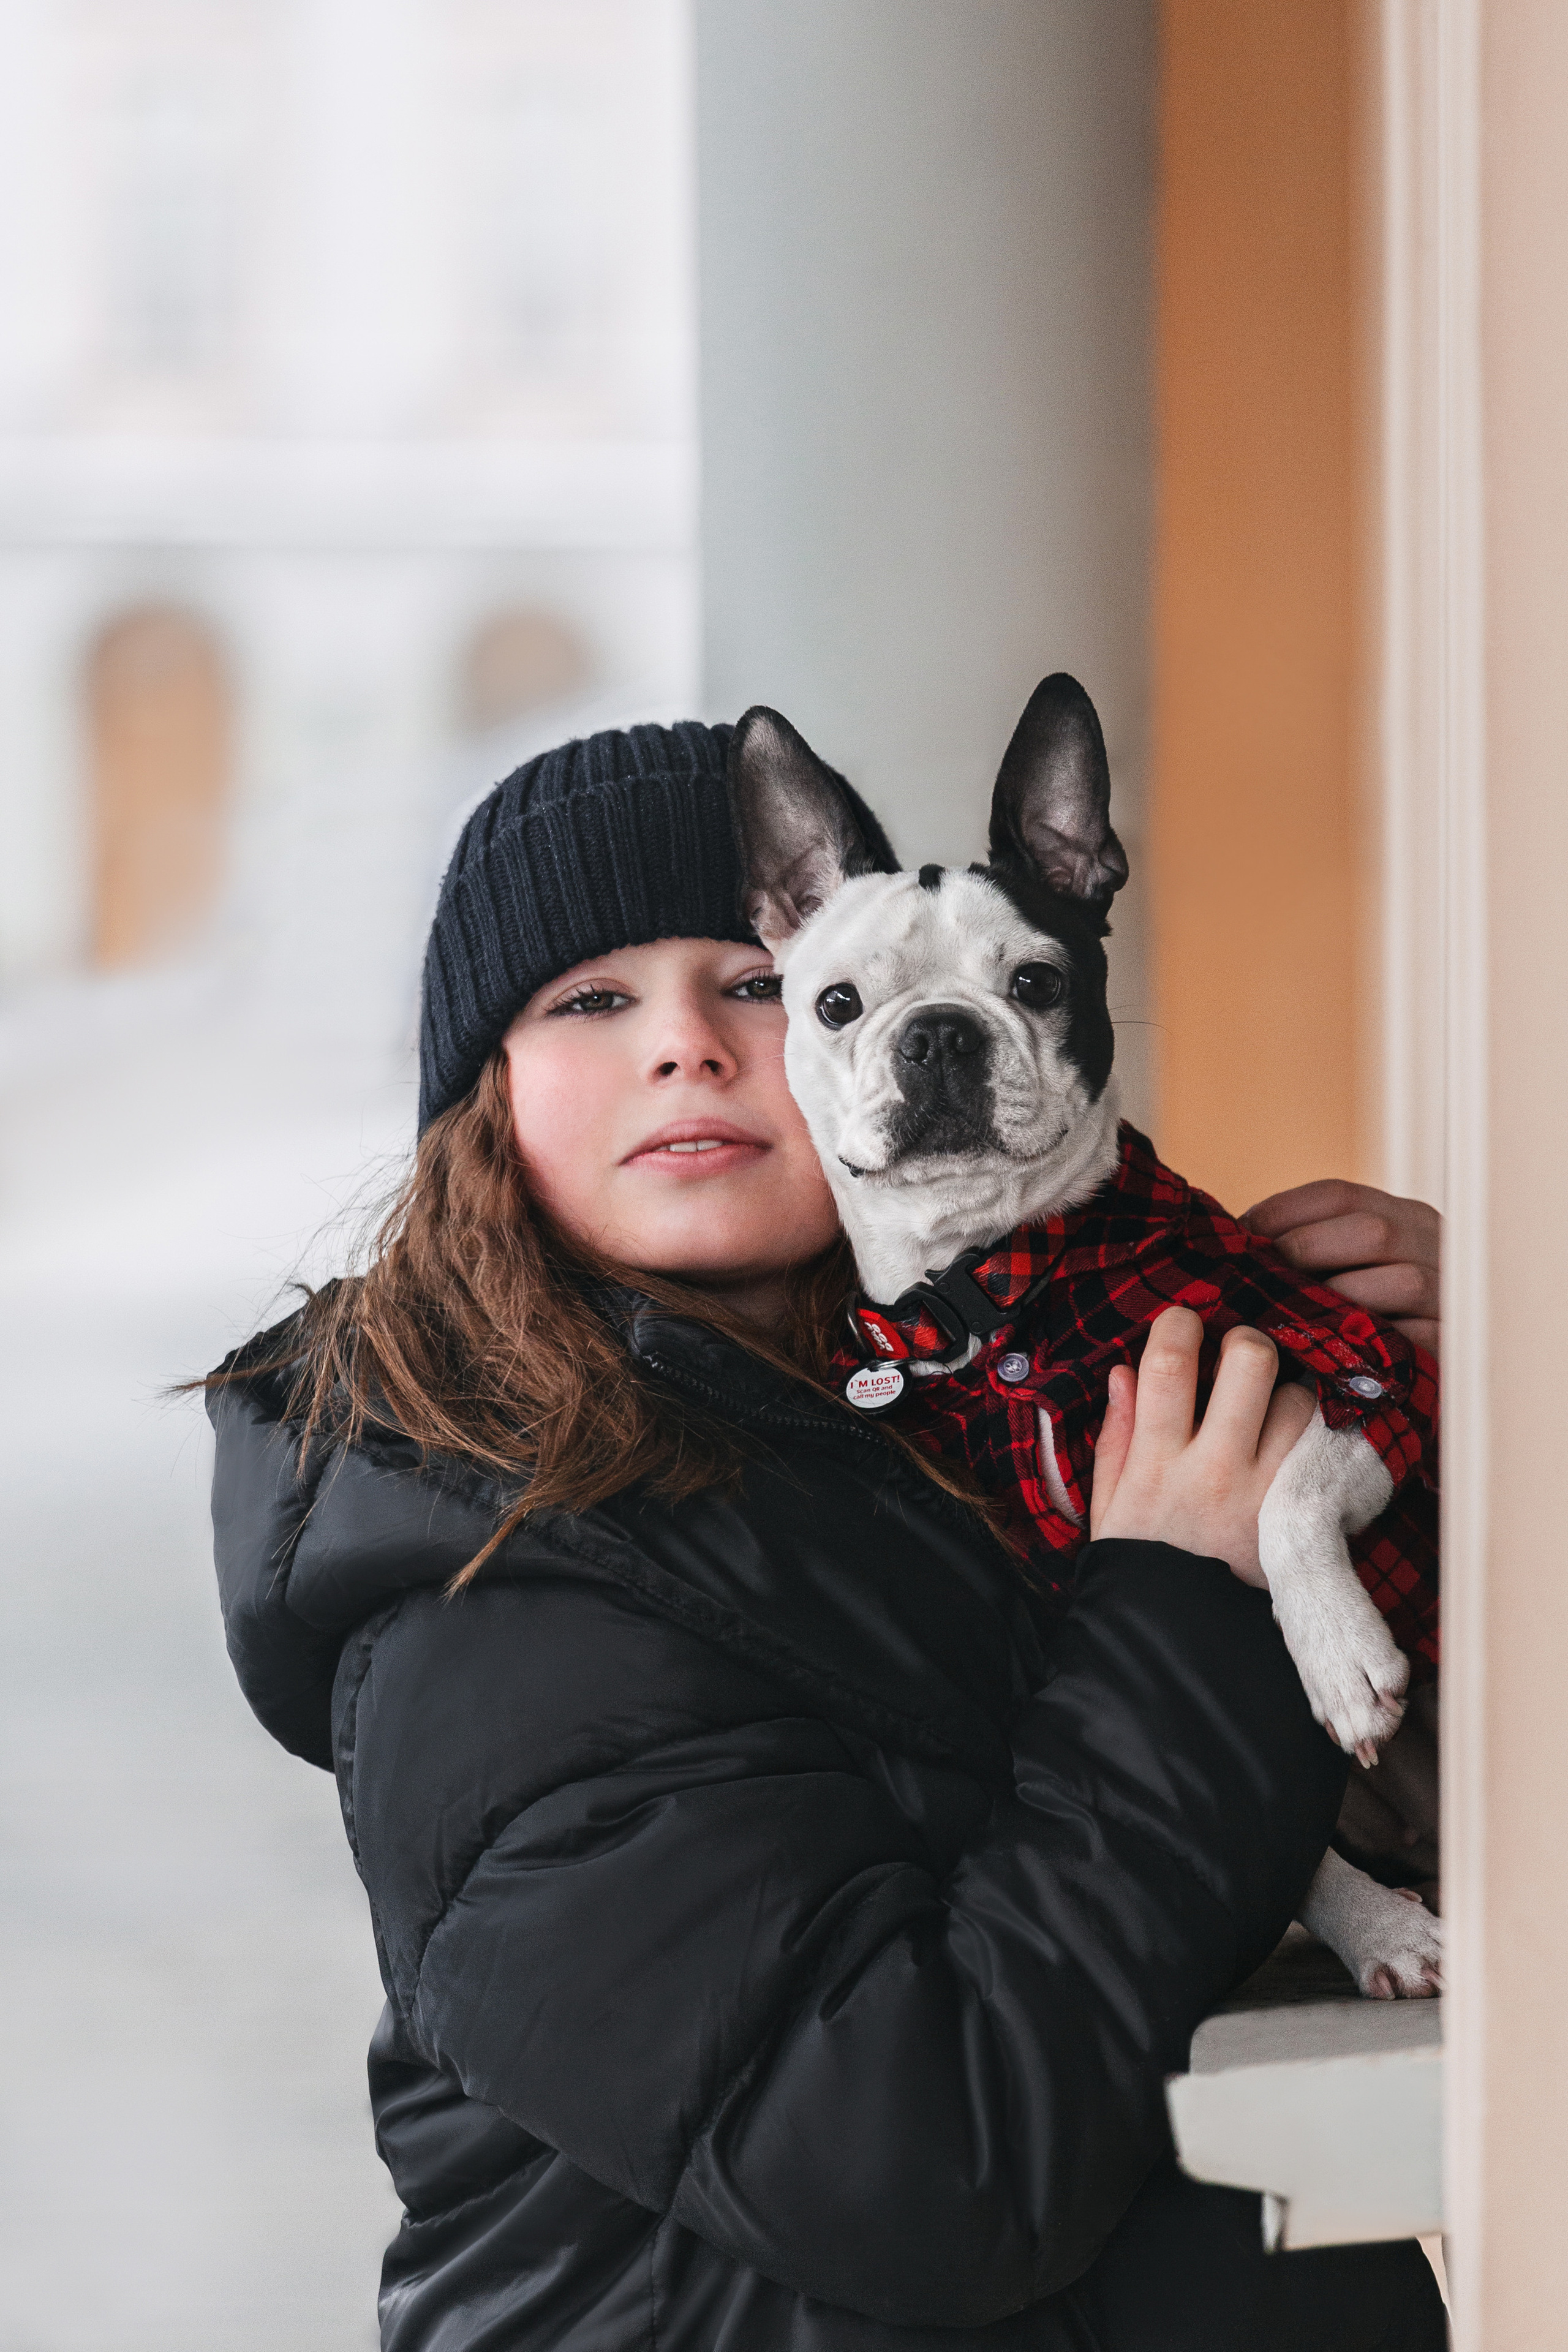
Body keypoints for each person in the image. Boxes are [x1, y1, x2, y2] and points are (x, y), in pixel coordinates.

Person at [208, 723, 1446, 2351]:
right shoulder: (492, 1590)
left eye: (754, 984)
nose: (687, 1048)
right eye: (590, 1000)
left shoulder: (951, 1412)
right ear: (489, 1097)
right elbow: (932, 2169)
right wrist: (1185, 1611)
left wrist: (1449, 1392)